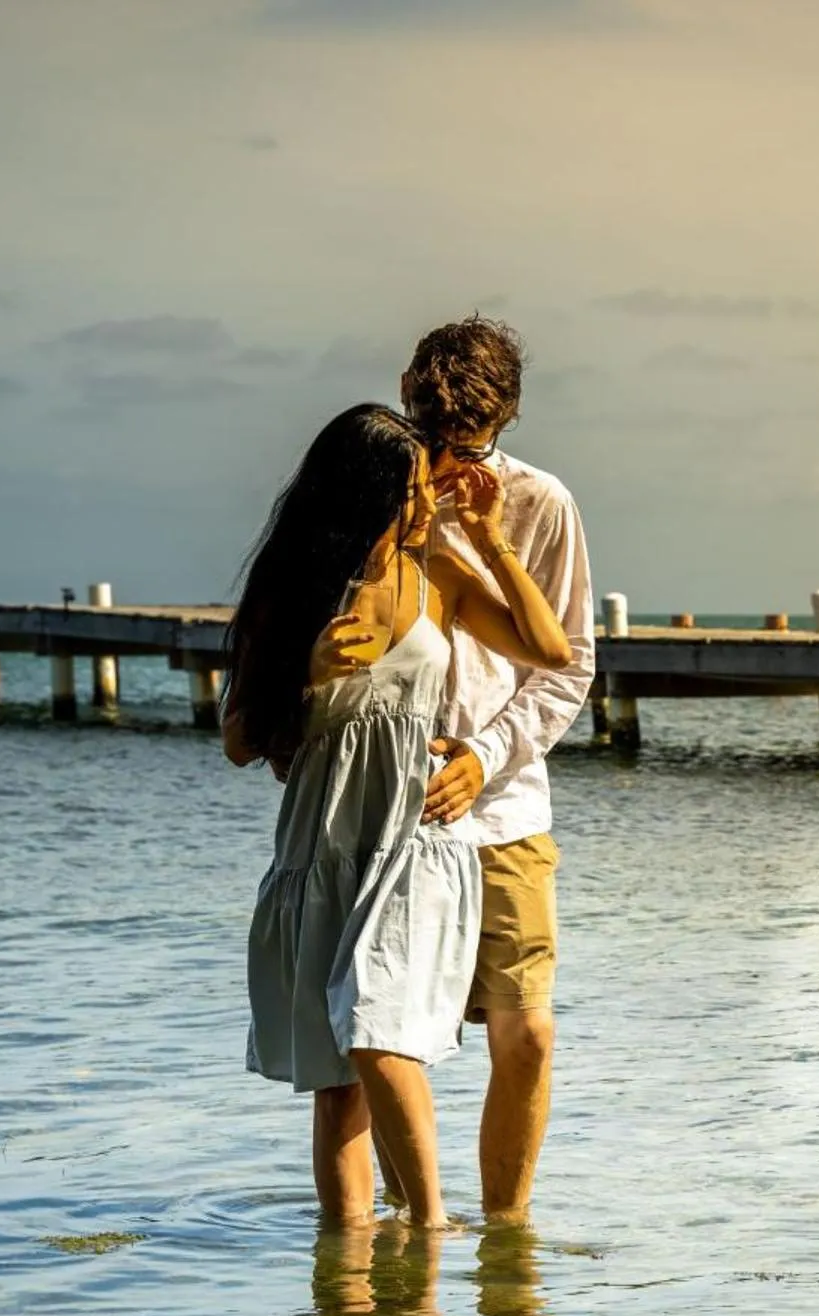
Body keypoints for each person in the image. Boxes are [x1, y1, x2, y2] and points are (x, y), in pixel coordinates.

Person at [221, 403, 572, 1229]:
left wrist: (490, 540)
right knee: (334, 1072)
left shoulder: (437, 573)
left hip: (414, 834)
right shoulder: (291, 590)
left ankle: (429, 1234)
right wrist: (303, 672)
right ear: (365, 496)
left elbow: (550, 650)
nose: (427, 503)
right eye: (413, 489)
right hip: (323, 836)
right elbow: (240, 739)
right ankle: (344, 1290)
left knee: (377, 1029)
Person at [401, 318, 596, 1225]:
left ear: (506, 418)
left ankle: (507, 1241)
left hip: (505, 806)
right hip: (388, 802)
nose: (455, 457)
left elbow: (569, 663)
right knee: (380, 1037)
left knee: (528, 1034)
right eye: (440, 437)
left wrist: (484, 756)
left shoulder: (542, 500)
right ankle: (408, 1231)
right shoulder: (379, 488)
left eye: (473, 439)